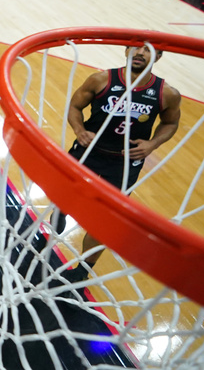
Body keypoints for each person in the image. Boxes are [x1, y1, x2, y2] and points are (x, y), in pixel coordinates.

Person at [66, 44, 181, 265]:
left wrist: (153, 143)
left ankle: (83, 269)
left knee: (107, 221)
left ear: (158, 56)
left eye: (148, 50)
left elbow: (171, 123)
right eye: (136, 47)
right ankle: (53, 225)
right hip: (88, 151)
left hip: (125, 163)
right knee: (63, 199)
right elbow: (74, 106)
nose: (140, 52)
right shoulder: (100, 80)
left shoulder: (167, 93)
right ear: (126, 50)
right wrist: (79, 130)